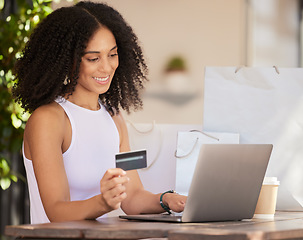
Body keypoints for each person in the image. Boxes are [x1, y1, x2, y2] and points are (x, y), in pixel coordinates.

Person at [13, 1, 186, 224]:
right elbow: (56, 211)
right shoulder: (48, 120)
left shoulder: (114, 118)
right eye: (93, 58)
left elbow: (132, 198)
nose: (106, 67)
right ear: (68, 61)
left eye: (112, 54)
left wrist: (167, 200)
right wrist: (103, 202)